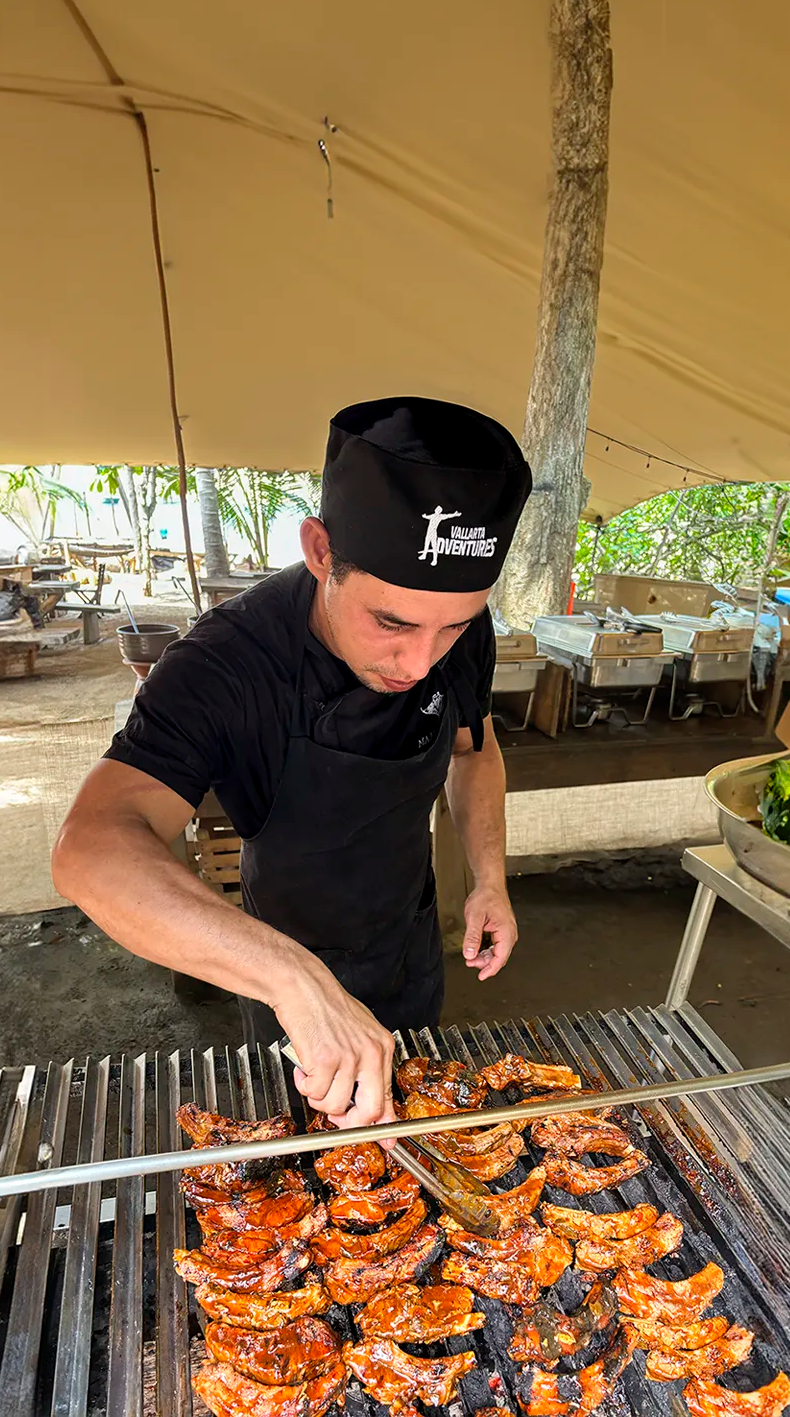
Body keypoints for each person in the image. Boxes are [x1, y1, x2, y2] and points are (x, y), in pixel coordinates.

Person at [53, 396, 531, 1129]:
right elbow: (90, 848)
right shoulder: (225, 662)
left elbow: (475, 749)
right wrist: (294, 980)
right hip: (282, 960)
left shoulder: (457, 630)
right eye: (390, 623)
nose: (418, 660)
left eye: (451, 629)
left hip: (408, 939)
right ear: (320, 552)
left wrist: (489, 880)